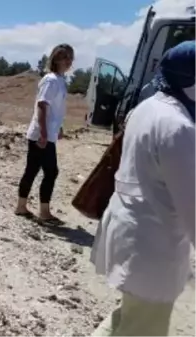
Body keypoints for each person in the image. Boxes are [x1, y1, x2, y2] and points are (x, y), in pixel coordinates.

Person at [89, 40, 196, 337]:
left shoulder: (146, 108)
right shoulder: (179, 127)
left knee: (128, 318)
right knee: (143, 327)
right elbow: (192, 205)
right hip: (153, 249)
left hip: (130, 234)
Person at [14, 43, 74, 225]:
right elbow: (42, 105)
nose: (69, 61)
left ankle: (22, 207)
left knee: (33, 170)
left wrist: (58, 128)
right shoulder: (51, 80)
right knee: (50, 171)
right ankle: (43, 212)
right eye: (65, 57)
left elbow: (55, 109)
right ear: (56, 59)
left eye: (71, 57)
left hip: (47, 133)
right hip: (41, 135)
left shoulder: (60, 80)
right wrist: (43, 133)